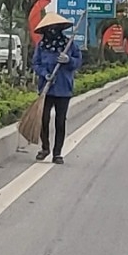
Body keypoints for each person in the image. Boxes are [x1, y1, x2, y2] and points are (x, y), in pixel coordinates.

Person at [31, 13, 82, 165]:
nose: (53, 31)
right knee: (43, 119)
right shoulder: (41, 46)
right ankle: (45, 147)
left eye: (55, 28)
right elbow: (36, 64)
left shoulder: (69, 45)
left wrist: (68, 60)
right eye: (50, 28)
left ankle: (57, 153)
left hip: (63, 88)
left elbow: (78, 61)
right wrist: (45, 74)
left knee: (60, 122)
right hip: (46, 89)